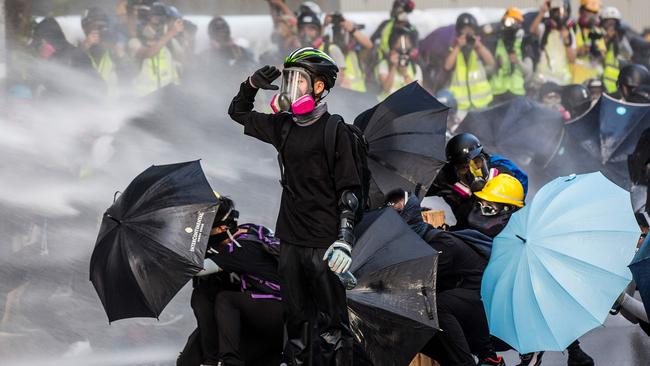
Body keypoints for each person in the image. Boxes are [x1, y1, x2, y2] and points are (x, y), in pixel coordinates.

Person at [228, 47, 362, 365]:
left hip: (325, 245)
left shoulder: (335, 130)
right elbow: (238, 113)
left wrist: (344, 240)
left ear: (318, 87)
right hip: (290, 241)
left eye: (298, 80)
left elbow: (349, 191)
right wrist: (250, 85)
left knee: (333, 328)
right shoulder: (283, 126)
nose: (290, 87)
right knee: (297, 325)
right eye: (289, 79)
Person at [469, 175, 596, 366]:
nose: (483, 211)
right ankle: (574, 353)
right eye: (481, 205)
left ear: (507, 209)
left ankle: (532, 352)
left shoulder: (526, 237)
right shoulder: (510, 230)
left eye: (489, 207)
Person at [426, 133, 528, 230]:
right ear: (455, 170)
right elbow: (418, 187)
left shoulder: (503, 178)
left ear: (485, 159)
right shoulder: (447, 178)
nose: (472, 170)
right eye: (464, 167)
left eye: (476, 162)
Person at [128, 1, 183, 96]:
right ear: (148, 19)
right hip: (145, 98)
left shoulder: (169, 40)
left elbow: (185, 59)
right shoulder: (136, 41)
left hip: (168, 96)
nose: (159, 21)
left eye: (163, 18)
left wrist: (181, 35)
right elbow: (148, 53)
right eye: (155, 17)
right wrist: (171, 32)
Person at [445, 13, 496, 114]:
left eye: (470, 30)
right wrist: (458, 47)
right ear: (459, 32)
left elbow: (491, 62)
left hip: (481, 103)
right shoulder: (454, 48)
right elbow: (447, 66)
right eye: (465, 30)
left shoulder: (478, 48)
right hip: (461, 106)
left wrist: (479, 46)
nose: (468, 33)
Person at [490, 7, 534, 104]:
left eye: (514, 22)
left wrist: (517, 62)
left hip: (517, 94)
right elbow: (488, 70)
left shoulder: (524, 44)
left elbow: (528, 73)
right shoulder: (496, 42)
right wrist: (496, 64)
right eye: (506, 22)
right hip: (497, 93)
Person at [80, 7, 126, 97]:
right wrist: (84, 47)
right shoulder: (77, 47)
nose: (99, 31)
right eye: (95, 26)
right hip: (85, 106)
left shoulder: (111, 49)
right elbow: (65, 69)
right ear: (84, 28)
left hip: (111, 107)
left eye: (102, 27)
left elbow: (129, 74)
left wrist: (120, 53)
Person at [529, 0, 576, 86]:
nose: (560, 15)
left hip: (562, 80)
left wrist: (567, 40)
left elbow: (572, 59)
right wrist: (542, 12)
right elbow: (532, 30)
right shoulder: (544, 29)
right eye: (556, 11)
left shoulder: (570, 32)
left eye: (563, 11)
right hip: (543, 78)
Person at [327, 12, 373, 93]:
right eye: (339, 32)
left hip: (360, 97)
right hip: (342, 98)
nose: (343, 36)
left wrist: (352, 30)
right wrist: (324, 25)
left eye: (346, 32)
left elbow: (369, 45)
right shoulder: (330, 52)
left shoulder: (356, 54)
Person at [375, 23, 422, 100]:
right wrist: (393, 67)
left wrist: (405, 74)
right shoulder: (384, 65)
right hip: (386, 108)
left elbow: (418, 94)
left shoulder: (415, 68)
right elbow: (386, 88)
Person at [600, 6, 633, 94]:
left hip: (615, 87)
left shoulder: (619, 39)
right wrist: (606, 39)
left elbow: (628, 54)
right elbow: (599, 57)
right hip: (598, 84)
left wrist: (619, 38)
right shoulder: (598, 37)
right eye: (608, 23)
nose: (611, 27)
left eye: (614, 24)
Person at [572, 0, 605, 84]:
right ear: (581, 11)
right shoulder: (573, 28)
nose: (592, 15)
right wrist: (583, 50)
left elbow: (602, 57)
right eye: (589, 11)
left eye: (594, 12)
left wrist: (597, 51)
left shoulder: (597, 31)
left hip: (593, 81)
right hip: (576, 80)